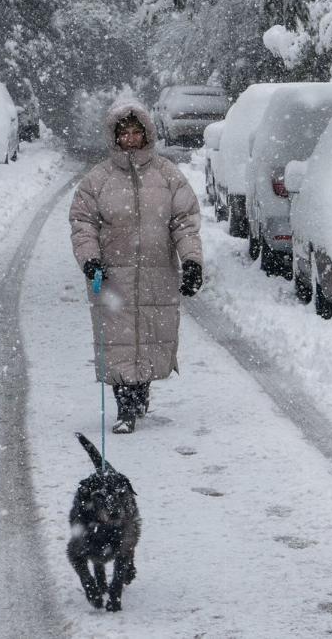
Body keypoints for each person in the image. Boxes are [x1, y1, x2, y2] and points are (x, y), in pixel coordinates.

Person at [69, 99, 203, 434]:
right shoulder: (97, 180)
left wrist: (191, 261)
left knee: (150, 335)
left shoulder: (168, 175)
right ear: (115, 137)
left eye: (135, 132)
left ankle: (141, 392)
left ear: (147, 134)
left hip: (158, 273)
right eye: (124, 133)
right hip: (112, 276)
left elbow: (184, 222)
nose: (130, 138)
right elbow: (83, 222)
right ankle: (124, 407)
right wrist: (91, 259)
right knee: (119, 340)